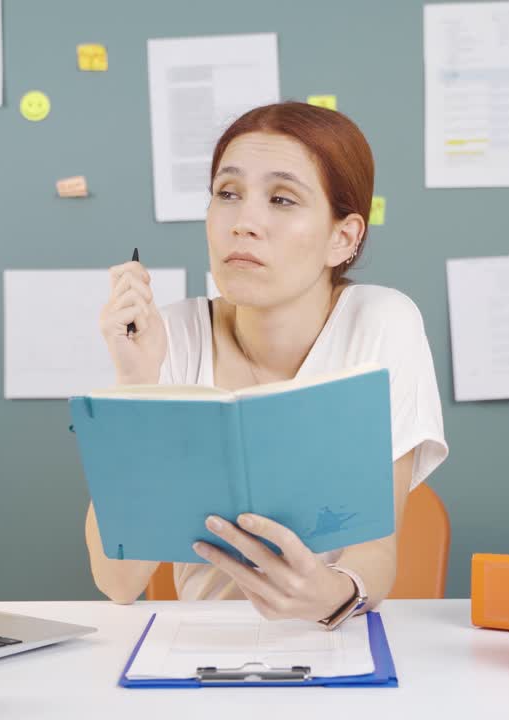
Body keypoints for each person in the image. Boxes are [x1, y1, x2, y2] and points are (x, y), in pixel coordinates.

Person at [89, 101, 447, 627]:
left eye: (281, 199)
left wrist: (335, 594)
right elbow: (119, 582)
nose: (244, 223)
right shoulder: (171, 335)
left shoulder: (381, 324)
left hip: (333, 635)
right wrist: (136, 384)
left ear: (342, 238)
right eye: (227, 193)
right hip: (202, 651)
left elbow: (376, 552)